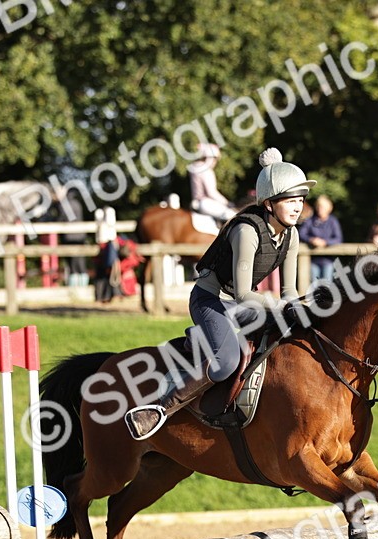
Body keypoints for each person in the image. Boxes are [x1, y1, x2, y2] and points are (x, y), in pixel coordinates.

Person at [124, 147, 312, 440]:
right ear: (269, 203)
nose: (298, 207)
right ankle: (159, 409)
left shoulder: (292, 235)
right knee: (226, 362)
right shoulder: (247, 231)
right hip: (211, 300)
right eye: (291, 200)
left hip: (242, 303)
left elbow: (289, 291)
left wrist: (300, 308)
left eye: (300, 199)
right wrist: (281, 306)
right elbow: (241, 294)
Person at [297, 194, 343, 283]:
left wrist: (325, 242)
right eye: (319, 206)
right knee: (314, 287)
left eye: (323, 207)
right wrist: (311, 240)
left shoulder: (333, 221)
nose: (320, 209)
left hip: (328, 261)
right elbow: (301, 234)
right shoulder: (310, 220)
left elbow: (338, 238)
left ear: (329, 208)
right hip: (313, 259)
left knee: (326, 287)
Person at [188, 142, 235, 226]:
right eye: (214, 159)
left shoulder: (195, 168)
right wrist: (227, 203)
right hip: (205, 203)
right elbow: (211, 193)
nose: (215, 162)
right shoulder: (206, 170)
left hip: (196, 203)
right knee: (233, 215)